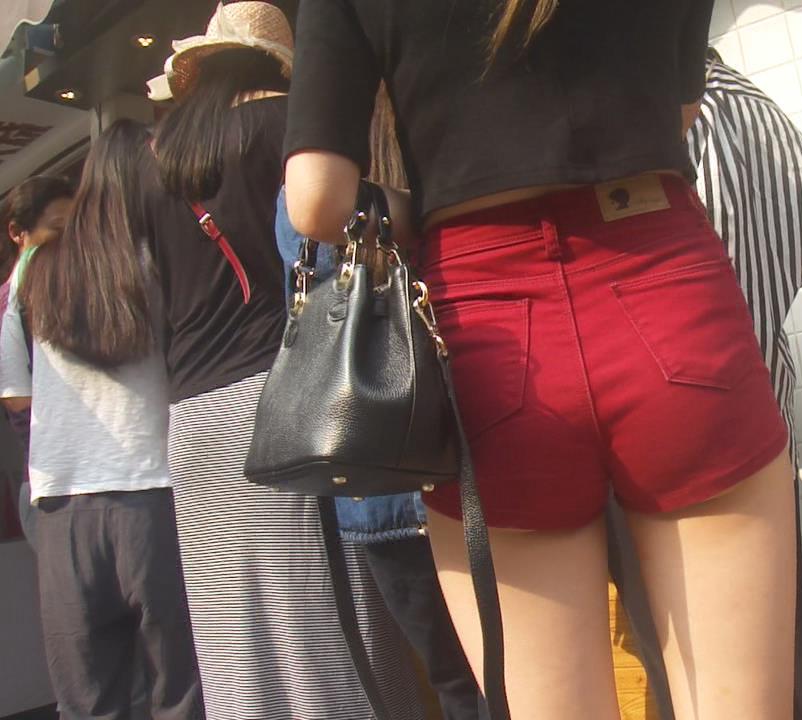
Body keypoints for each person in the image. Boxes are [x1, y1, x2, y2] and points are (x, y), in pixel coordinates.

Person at [285, 2, 797, 718]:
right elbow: (676, 112)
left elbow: (316, 200)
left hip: (486, 331)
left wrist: (429, 203)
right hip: (665, 285)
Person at [144, 4, 421, 718]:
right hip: (289, 399)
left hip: (194, 423)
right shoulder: (288, 134)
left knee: (238, 640)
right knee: (333, 627)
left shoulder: (157, 164)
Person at [609, 49, 802, 720]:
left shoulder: (674, 123)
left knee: (700, 668)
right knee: (784, 650)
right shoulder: (766, 115)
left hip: (687, 426)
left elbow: (687, 294)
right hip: (759, 416)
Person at [275, 86, 483, 720]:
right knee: (520, 672)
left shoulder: (301, 203)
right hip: (473, 455)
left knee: (454, 684)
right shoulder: (452, 177)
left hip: (372, 477)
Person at [0, 120, 204, 720]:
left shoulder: (34, 270)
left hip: (62, 501)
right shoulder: (158, 257)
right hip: (154, 491)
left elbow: (14, 392)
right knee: (180, 687)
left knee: (88, 697)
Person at [0, 174, 72, 539]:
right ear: (17, 233)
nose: (68, 242)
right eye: (57, 229)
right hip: (53, 488)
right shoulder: (9, 304)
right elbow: (18, 401)